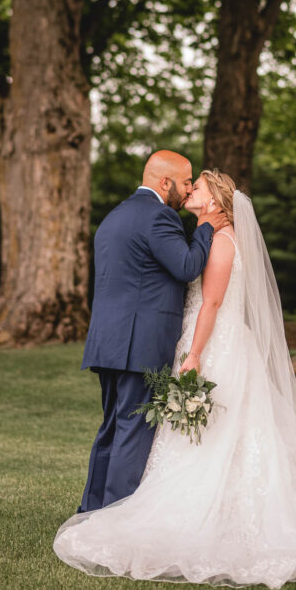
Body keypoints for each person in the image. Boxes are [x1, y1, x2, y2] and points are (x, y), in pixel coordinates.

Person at [56, 169, 296, 590]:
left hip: (212, 346)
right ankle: (121, 507)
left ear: (216, 201)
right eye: (188, 183)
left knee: (214, 437)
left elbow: (213, 303)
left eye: (197, 187)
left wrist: (194, 356)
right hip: (203, 341)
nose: (190, 191)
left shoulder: (222, 241)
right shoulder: (212, 234)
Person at [76, 151, 226, 513]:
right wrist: (206, 227)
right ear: (165, 183)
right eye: (186, 182)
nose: (188, 189)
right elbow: (187, 266)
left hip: (108, 343)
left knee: (111, 428)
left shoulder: (116, 216)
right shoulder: (158, 216)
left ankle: (91, 513)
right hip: (138, 344)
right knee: (132, 432)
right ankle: (114, 520)